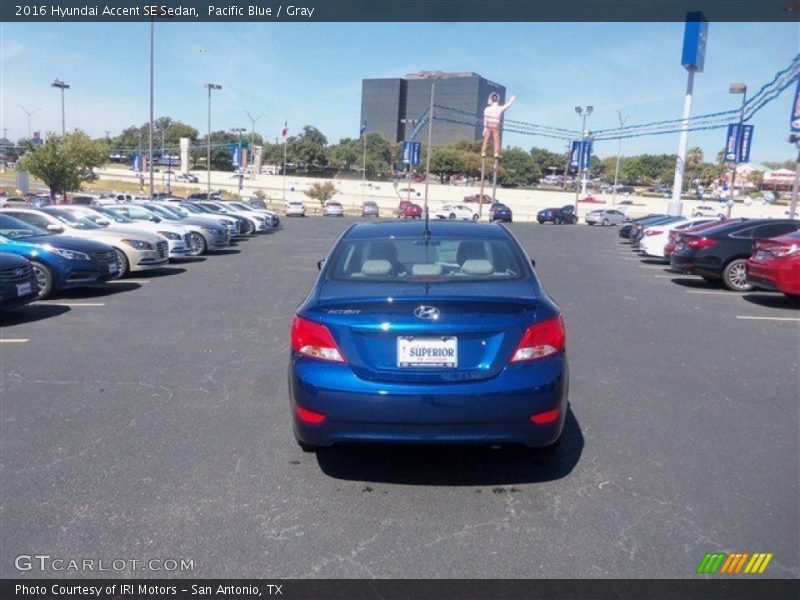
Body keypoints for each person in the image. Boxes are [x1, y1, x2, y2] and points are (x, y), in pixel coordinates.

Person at [481, 92, 516, 159]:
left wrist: (484, 128)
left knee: (486, 139)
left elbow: (485, 119)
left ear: (491, 99)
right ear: (497, 100)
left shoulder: (487, 109)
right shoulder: (499, 108)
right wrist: (511, 100)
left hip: (488, 124)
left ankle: (483, 152)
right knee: (496, 140)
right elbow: (507, 106)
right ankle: (496, 153)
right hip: (496, 124)